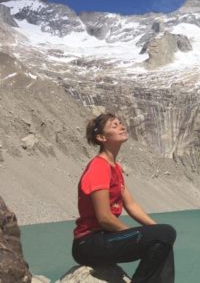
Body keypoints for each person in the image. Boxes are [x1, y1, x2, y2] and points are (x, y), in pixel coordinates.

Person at [71, 112, 176, 283]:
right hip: (89, 243)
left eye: (121, 123)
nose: (122, 126)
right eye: (114, 125)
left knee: (164, 239)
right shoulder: (99, 166)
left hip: (105, 238)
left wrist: (154, 229)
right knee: (164, 234)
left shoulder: (115, 168)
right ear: (101, 137)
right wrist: (137, 234)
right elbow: (104, 217)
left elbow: (131, 205)